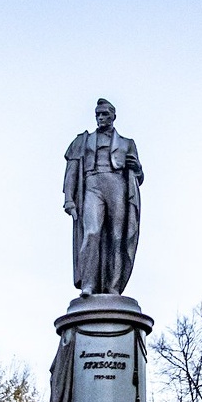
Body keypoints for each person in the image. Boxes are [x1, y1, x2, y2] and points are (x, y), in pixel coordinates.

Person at [62, 99, 144, 297]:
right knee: (91, 232)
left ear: (113, 116)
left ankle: (113, 287)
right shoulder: (83, 141)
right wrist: (69, 198)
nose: (101, 118)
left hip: (117, 186)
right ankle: (88, 284)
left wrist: (136, 168)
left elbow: (139, 176)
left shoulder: (127, 144)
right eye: (98, 114)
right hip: (92, 185)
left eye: (105, 114)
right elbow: (72, 170)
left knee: (117, 237)